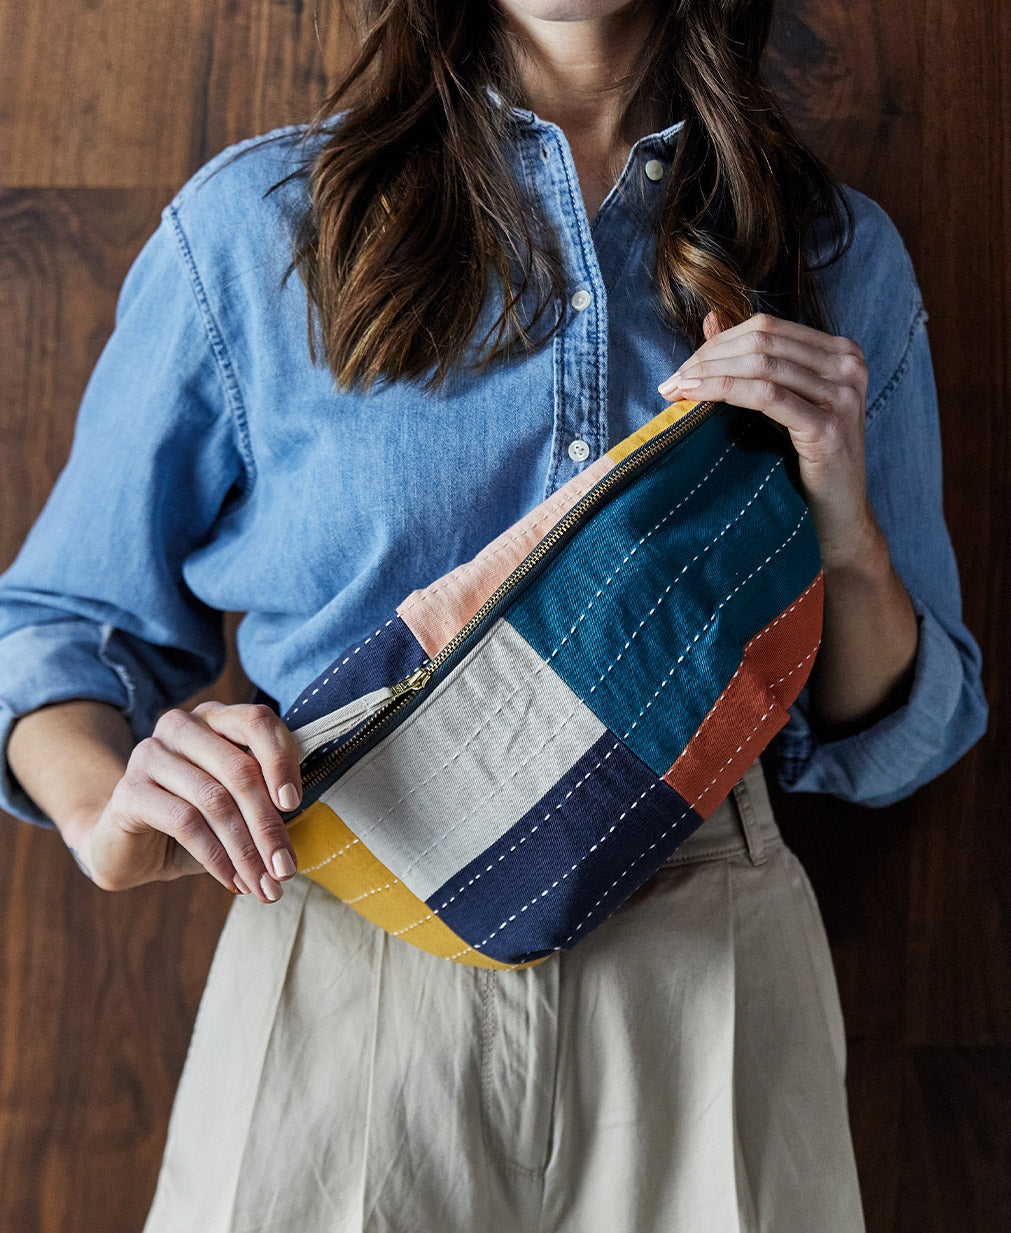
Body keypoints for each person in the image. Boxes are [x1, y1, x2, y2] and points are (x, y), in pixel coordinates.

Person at [0, 1, 988, 1229]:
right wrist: (108, 814)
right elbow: (53, 627)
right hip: (342, 948)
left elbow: (902, 732)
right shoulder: (254, 232)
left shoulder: (836, 255)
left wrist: (842, 518)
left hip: (705, 974)